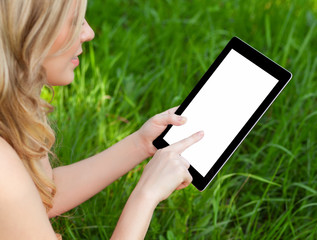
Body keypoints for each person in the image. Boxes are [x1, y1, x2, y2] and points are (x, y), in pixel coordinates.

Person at [0, 0, 204, 239]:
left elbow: (39, 196)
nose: (88, 33)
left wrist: (141, 143)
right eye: (75, 21)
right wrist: (146, 196)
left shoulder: (15, 106)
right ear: (26, 32)